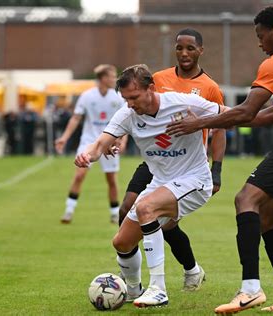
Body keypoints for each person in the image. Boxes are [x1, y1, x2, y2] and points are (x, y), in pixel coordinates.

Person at [167, 6, 273, 313]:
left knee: (245, 199)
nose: (259, 44)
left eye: (260, 36)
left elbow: (247, 110)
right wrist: (224, 117)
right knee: (266, 219)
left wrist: (201, 122)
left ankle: (250, 288)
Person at [75, 65, 222, 307]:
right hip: (160, 182)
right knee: (121, 243)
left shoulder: (182, 102)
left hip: (195, 179)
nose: (130, 104)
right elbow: (102, 141)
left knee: (146, 208)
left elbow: (231, 114)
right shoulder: (127, 114)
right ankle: (133, 290)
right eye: (125, 99)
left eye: (134, 97)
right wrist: (87, 155)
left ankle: (159, 289)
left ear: (151, 89)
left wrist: (200, 123)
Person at [117, 28, 226, 292]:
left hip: (186, 163)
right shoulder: (158, 79)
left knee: (163, 223)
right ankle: (132, 278)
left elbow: (220, 127)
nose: (184, 53)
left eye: (190, 48)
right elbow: (135, 112)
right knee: (126, 209)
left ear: (201, 51)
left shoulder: (209, 87)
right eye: (179, 48)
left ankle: (190, 270)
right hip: (155, 159)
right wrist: (117, 140)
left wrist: (217, 170)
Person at [55, 64, 126, 224]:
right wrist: (64, 138)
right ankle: (68, 211)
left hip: (109, 142)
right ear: (102, 78)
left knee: (111, 179)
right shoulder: (87, 96)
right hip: (89, 142)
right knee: (79, 175)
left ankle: (115, 213)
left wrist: (122, 140)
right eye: (112, 76)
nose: (115, 79)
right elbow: (76, 118)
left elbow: (125, 120)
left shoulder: (118, 96)